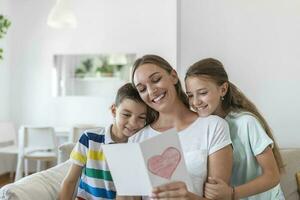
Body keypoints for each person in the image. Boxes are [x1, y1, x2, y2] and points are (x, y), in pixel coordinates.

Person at [129, 54, 233, 200]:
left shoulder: (213, 127)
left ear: (173, 76)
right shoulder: (136, 140)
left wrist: (189, 198)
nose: (151, 91)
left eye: (156, 80)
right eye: (142, 89)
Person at [185, 58, 285, 200]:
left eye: (202, 93)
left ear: (223, 89)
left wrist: (232, 193)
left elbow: (272, 176)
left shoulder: (246, 122)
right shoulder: (202, 128)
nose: (195, 102)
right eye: (190, 95)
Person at [59, 83, 156, 200]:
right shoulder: (89, 139)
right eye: (126, 114)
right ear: (114, 111)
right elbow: (70, 181)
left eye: (141, 118)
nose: (133, 123)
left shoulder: (140, 147)